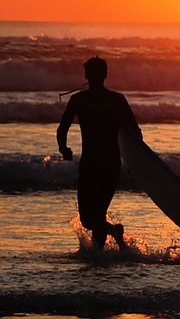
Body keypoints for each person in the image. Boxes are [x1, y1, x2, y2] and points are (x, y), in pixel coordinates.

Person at [57, 56, 141, 249]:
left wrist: (64, 149)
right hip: (109, 163)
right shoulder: (115, 100)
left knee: (90, 218)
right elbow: (136, 133)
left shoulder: (79, 100)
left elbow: (62, 129)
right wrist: (134, 163)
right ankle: (104, 245)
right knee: (96, 215)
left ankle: (101, 251)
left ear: (87, 75)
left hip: (93, 163)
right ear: (105, 75)